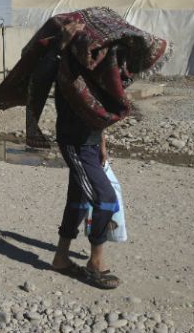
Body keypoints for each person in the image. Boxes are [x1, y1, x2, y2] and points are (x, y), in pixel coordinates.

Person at [49, 21, 120, 290]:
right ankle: (96, 263)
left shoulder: (92, 73)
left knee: (78, 199)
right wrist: (63, 45)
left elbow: (97, 111)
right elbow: (57, 74)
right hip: (74, 142)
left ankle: (61, 258)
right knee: (105, 199)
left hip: (89, 143)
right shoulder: (66, 70)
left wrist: (102, 141)